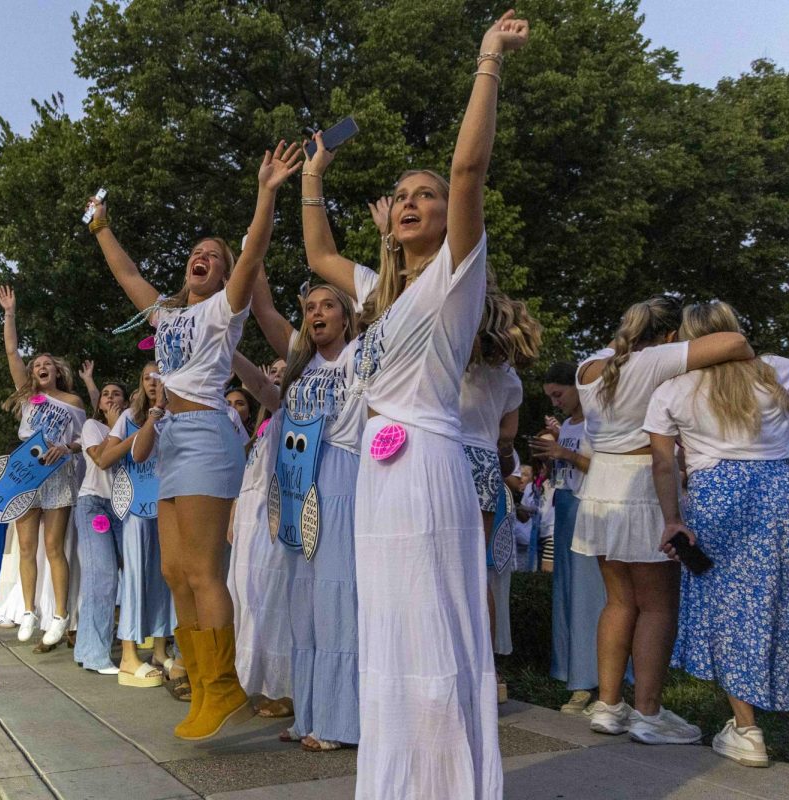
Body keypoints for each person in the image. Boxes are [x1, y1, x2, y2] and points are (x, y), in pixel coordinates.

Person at [301, 11, 528, 797]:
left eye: (422, 196)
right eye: (400, 195)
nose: (411, 202)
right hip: (376, 479)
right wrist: (311, 174)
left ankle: (451, 783)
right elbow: (321, 255)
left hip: (429, 465)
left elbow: (469, 173)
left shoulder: (453, 283)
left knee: (433, 632)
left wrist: (488, 58)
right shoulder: (383, 298)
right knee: (390, 637)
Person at [89, 139, 301, 740]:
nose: (200, 258)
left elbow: (254, 251)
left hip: (208, 435)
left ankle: (225, 683)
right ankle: (204, 685)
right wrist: (102, 226)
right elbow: (127, 272)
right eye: (195, 253)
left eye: (214, 255)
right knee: (176, 573)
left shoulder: (221, 313)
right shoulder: (169, 316)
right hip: (173, 440)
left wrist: (266, 195)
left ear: (227, 273)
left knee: (205, 572)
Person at [644, 300, 789, 768]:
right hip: (781, 494)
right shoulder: (772, 373)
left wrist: (672, 519)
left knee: (726, 612)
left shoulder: (673, 388)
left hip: (715, 496)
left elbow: (663, 462)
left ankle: (747, 731)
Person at [574, 295, 758, 744]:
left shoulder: (589, 366)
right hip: (643, 485)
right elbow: (735, 341)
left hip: (599, 485)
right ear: (670, 335)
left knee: (618, 601)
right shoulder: (656, 360)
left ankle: (609, 705)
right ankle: (648, 713)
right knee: (658, 606)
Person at [243, 263, 366, 752]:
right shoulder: (302, 366)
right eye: (310, 307)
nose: (317, 314)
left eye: (327, 305)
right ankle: (310, 713)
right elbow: (264, 309)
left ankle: (340, 722)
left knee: (337, 599)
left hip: (340, 476)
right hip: (296, 481)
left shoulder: (358, 357)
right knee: (304, 603)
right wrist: (251, 258)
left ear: (347, 316)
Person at [459, 284, 542, 692]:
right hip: (487, 470)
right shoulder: (510, 380)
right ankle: (487, 673)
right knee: (477, 573)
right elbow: (506, 445)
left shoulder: (455, 360)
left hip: (446, 458)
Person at [0, 285, 87, 648]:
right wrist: (10, 313)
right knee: (26, 547)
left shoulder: (72, 400)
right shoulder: (29, 396)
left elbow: (85, 441)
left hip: (58, 473)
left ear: (57, 371)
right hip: (26, 473)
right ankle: (30, 611)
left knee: (54, 547)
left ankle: (60, 615)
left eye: (46, 364)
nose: (40, 367)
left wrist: (66, 447)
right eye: (37, 366)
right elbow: (12, 351)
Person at [98, 364, 176, 687]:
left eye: (160, 374)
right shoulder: (129, 415)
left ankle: (160, 650)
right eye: (147, 376)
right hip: (134, 508)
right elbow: (104, 459)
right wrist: (136, 434)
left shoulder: (175, 413)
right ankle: (129, 657)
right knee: (134, 578)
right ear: (141, 384)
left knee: (164, 579)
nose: (153, 380)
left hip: (167, 505)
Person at [532, 361, 603, 715]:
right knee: (567, 591)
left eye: (558, 394)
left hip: (587, 508)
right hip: (564, 506)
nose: (555, 401)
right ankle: (569, 670)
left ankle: (590, 680)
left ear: (577, 388)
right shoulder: (572, 425)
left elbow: (603, 466)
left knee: (587, 596)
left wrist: (566, 454)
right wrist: (553, 458)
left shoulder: (596, 421)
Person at [227, 353, 293, 721]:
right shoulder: (264, 427)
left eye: (286, 371)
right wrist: (237, 508)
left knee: (271, 597)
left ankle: (281, 687)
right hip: (249, 511)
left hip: (276, 507)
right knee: (244, 596)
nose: (278, 376)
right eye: (275, 371)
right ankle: (248, 679)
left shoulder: (293, 410)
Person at [73, 377, 128, 675]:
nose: (109, 398)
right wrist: (112, 423)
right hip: (95, 505)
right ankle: (96, 655)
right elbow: (101, 460)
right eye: (105, 394)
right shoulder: (94, 427)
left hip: (121, 509)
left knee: (120, 576)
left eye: (116, 393)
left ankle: (86, 650)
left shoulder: (131, 428)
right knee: (102, 576)